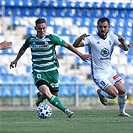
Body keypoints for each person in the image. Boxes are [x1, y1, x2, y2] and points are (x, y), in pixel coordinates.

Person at [10, 18, 91, 118]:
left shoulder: (52, 38)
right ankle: (66, 110)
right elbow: (22, 49)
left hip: (52, 71)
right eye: (39, 28)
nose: (42, 31)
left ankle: (40, 98)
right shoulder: (30, 40)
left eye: (44, 28)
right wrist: (16, 60)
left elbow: (68, 45)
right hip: (38, 71)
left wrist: (81, 55)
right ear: (35, 28)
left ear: (46, 28)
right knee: (47, 93)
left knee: (54, 94)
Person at [73, 17, 132, 117]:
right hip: (98, 73)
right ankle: (100, 92)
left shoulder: (112, 37)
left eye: (105, 27)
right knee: (114, 94)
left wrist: (122, 42)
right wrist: (80, 37)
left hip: (109, 71)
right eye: (100, 27)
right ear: (97, 27)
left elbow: (125, 49)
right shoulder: (91, 38)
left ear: (108, 27)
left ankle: (122, 112)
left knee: (123, 91)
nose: (102, 29)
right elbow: (75, 45)